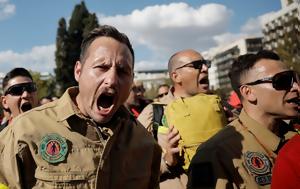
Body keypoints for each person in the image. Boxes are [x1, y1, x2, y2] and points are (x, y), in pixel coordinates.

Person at [0, 25, 161, 188]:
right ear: (78, 71)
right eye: (102, 67)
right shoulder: (24, 132)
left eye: (122, 71)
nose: (111, 79)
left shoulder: (145, 143)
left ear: (132, 80)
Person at [187, 50, 300, 188]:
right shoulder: (216, 154)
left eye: (295, 79)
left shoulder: (294, 137)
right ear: (248, 92)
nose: (296, 87)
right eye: (282, 81)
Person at [138, 49, 219, 189]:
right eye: (197, 65)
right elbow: (131, 168)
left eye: (206, 64)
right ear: (176, 76)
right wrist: (166, 161)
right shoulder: (155, 112)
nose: (205, 69)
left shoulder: (221, 109)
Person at [0, 67, 38, 132]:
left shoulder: (52, 128)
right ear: (5, 102)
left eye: (30, 88)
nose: (26, 95)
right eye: (16, 90)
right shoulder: (1, 136)